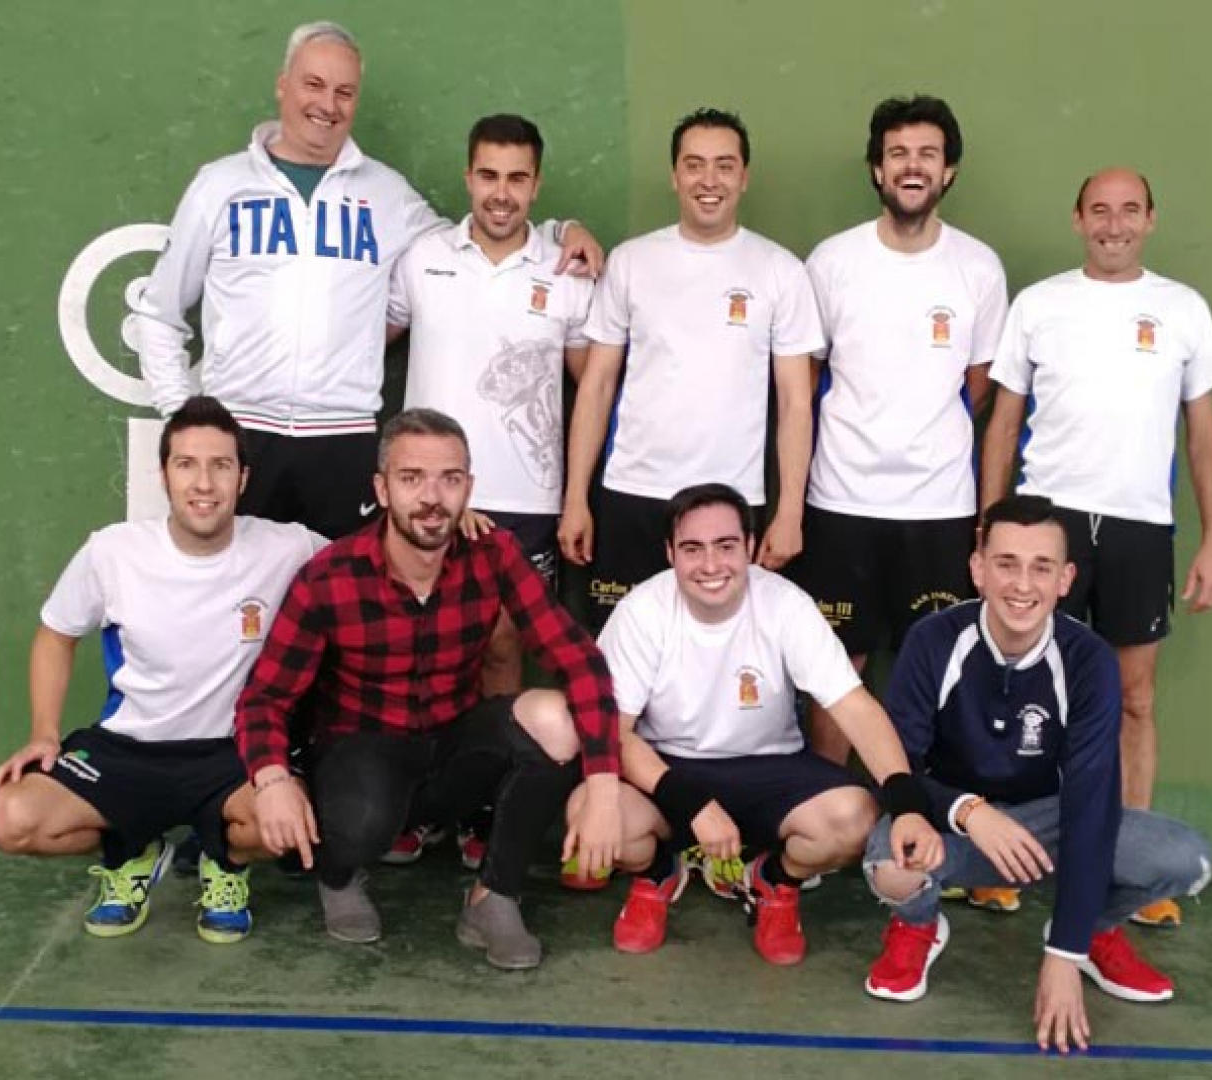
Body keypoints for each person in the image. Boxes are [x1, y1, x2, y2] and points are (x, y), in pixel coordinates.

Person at [130, 21, 601, 543]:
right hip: (240, 435)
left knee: (344, 595)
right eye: (313, 84)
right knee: (232, 589)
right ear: (283, 85)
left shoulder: (386, 193)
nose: (327, 105)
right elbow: (158, 313)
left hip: (344, 441)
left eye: (344, 92)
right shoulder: (219, 185)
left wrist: (557, 232)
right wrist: (185, 421)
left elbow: (478, 239)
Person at [233, 408, 624, 971]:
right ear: (382, 489)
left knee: (556, 720)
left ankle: (493, 898)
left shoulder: (495, 553)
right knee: (360, 821)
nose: (432, 498)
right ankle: (338, 875)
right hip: (361, 751)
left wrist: (604, 785)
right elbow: (264, 698)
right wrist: (272, 778)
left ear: (469, 487)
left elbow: (580, 661)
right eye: (412, 478)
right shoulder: (330, 576)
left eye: (450, 479)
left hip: (452, 748)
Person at [859, 494, 1212, 1053]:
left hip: (1049, 831)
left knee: (1185, 860)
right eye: (1006, 563)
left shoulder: (1088, 659)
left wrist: (1064, 955)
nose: (1022, 585)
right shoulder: (934, 640)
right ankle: (917, 924)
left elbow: (1092, 801)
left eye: (1041, 567)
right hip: (955, 829)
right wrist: (970, 812)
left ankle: (1091, 932)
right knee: (889, 864)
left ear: (1065, 579)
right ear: (978, 568)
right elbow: (898, 769)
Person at [979, 168, 1212, 927]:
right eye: (1099, 210)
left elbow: (1203, 435)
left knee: (1133, 699)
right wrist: (991, 528)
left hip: (1138, 530)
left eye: (1128, 211)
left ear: (1150, 219)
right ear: (1077, 219)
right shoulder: (1039, 305)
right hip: (1046, 524)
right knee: (1017, 690)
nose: (1112, 224)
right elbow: (1002, 422)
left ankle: (1132, 861)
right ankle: (998, 859)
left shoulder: (1183, 309)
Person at [0, 397, 324, 943]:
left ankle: (226, 863)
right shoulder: (112, 552)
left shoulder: (288, 546)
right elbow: (55, 633)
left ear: (242, 478)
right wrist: (44, 733)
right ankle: (134, 851)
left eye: (220, 465)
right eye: (186, 464)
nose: (204, 483)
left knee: (291, 819)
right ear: (163, 475)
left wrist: (458, 519)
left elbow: (370, 562)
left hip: (233, 754)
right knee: (10, 820)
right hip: (127, 750)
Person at [584, 483, 943, 966]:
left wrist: (907, 804)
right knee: (590, 808)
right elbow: (613, 733)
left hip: (772, 767)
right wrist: (692, 804)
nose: (711, 565)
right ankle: (655, 872)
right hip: (668, 767)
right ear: (670, 554)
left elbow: (855, 708)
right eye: (692, 548)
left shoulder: (786, 604)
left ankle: (774, 878)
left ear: (750, 547)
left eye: (725, 546)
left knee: (855, 819)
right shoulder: (641, 611)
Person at [382, 113, 596, 871]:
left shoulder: (567, 271)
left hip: (523, 505)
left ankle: (482, 812)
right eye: (487, 175)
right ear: (468, 177)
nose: (500, 193)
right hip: (427, 501)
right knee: (421, 659)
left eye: (516, 178)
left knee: (503, 656)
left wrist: (577, 495)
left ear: (536, 184)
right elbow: (368, 341)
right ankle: (421, 808)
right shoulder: (422, 259)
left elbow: (597, 387)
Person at [795, 94, 1007, 777]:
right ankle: (828, 812)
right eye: (897, 154)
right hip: (839, 500)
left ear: (948, 171)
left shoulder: (978, 268)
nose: (911, 166)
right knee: (836, 668)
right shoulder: (832, 262)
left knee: (939, 670)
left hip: (939, 507)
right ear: (875, 169)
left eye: (926, 155)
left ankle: (927, 820)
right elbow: (806, 378)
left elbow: (979, 384)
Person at [560, 108, 822, 631]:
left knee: (723, 652)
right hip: (632, 493)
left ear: (744, 177)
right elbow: (597, 386)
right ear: (674, 175)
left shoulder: (781, 271)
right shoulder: (631, 262)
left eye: (724, 166)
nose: (709, 180)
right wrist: (575, 500)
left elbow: (796, 402)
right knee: (619, 653)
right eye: (694, 164)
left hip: (732, 501)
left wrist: (789, 511)